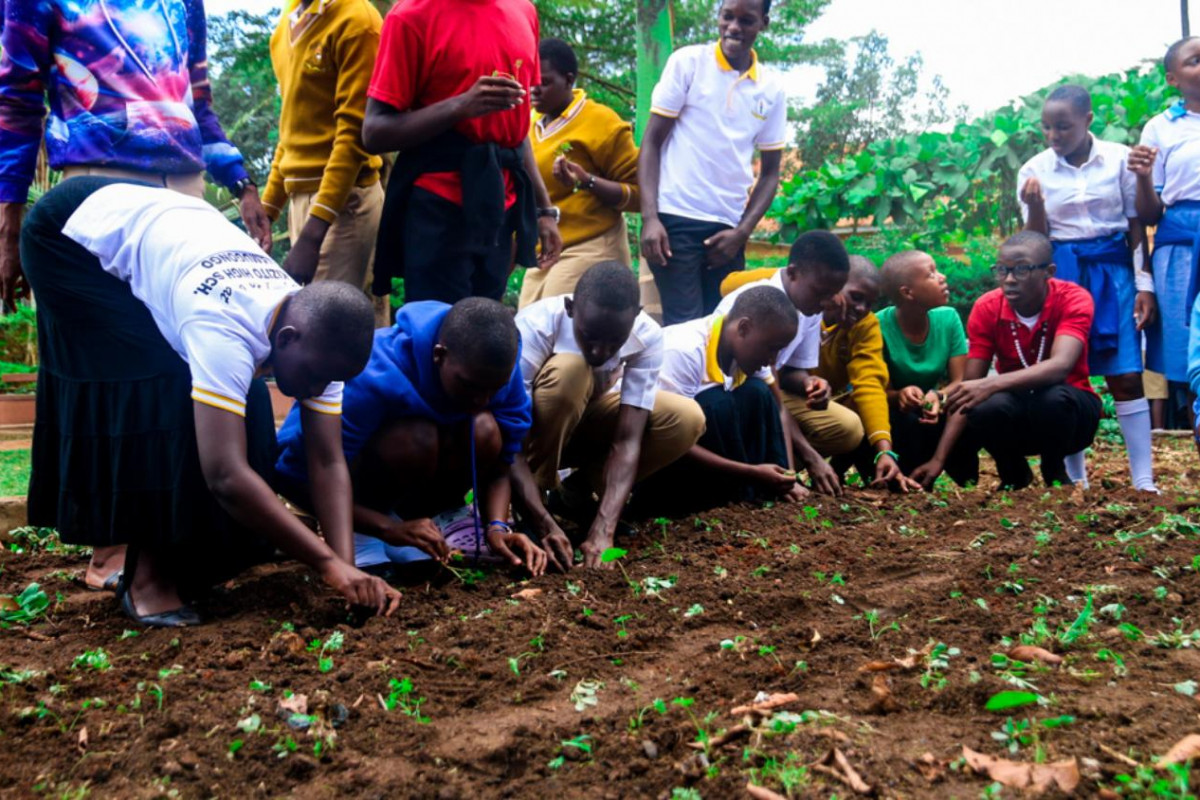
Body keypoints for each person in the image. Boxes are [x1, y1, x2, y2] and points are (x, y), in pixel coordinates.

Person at [21, 176, 399, 626]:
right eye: (316, 379)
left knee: (249, 407)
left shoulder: (325, 346)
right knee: (160, 392)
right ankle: (145, 579)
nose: (318, 391)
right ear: (287, 338)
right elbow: (225, 474)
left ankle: (195, 554)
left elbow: (327, 461)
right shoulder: (222, 328)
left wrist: (347, 567)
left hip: (162, 227)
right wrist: (326, 566)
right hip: (69, 237)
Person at [0, 0, 272, 310]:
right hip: (99, 191)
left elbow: (198, 104)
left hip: (185, 193)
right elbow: (17, 102)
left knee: (182, 341)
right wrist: (8, 225)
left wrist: (241, 182)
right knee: (108, 339)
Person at [274, 298, 549, 578]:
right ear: (439, 355)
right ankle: (365, 533)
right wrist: (384, 527)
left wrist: (496, 528)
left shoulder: (497, 370)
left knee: (486, 428)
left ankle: (430, 521)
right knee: (417, 438)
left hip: (410, 490)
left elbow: (502, 466)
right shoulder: (375, 371)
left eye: (494, 389)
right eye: (469, 385)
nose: (482, 398)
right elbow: (298, 478)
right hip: (353, 486)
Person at [362, 0, 562, 304]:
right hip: (438, 206)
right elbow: (374, 131)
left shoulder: (522, 10)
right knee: (439, 335)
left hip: (499, 206)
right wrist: (461, 105)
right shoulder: (409, 16)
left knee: (483, 331)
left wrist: (544, 210)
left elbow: (517, 129)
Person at [511, 261, 705, 570]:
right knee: (571, 371)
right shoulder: (535, 327)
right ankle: (531, 506)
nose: (600, 351)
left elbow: (628, 439)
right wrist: (543, 523)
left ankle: (574, 497)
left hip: (581, 427)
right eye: (590, 337)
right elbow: (509, 438)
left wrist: (604, 527)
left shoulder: (647, 336)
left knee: (684, 418)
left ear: (636, 315)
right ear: (571, 308)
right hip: (530, 438)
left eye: (614, 342)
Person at [1019, 84, 1158, 492]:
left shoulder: (1118, 159)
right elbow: (1034, 243)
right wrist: (1036, 208)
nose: (1054, 136)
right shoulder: (1033, 170)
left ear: (1088, 120)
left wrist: (1144, 286)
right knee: (1066, 378)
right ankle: (1074, 477)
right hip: (1060, 277)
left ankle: (1144, 479)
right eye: (1046, 128)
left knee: (1126, 376)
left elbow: (1136, 227)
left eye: (1063, 126)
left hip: (1114, 275)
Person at [911, 231, 1102, 491]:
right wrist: (938, 459)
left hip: (1072, 415)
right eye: (1002, 270)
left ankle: (1054, 470)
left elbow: (1061, 366)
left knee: (1054, 398)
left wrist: (991, 384)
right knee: (984, 407)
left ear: (1049, 271)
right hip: (1018, 413)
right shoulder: (987, 307)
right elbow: (971, 387)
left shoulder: (1073, 299)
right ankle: (1014, 474)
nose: (1009, 280)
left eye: (1021, 270)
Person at [639, 0, 787, 325]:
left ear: (763, 23)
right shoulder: (688, 63)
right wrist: (650, 217)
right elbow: (651, 142)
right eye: (727, 16)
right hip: (676, 219)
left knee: (721, 328)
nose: (734, 27)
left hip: (728, 228)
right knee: (685, 326)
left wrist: (742, 232)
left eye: (746, 20)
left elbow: (771, 172)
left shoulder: (771, 88)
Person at [262, 0, 389, 324]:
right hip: (301, 201)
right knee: (323, 326)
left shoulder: (358, 21)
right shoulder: (286, 24)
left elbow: (354, 133)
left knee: (328, 327)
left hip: (345, 203)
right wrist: (269, 210)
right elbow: (290, 131)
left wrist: (314, 233)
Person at [717, 231, 856, 496]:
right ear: (793, 273)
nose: (827, 303)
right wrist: (807, 458)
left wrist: (809, 382)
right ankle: (770, 473)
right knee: (760, 398)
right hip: (735, 395)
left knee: (847, 428)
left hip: (770, 393)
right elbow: (769, 395)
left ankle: (777, 469)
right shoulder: (760, 308)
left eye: (833, 294)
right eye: (821, 293)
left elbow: (789, 370)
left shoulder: (809, 306)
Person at [642, 285, 802, 514]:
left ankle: (762, 494)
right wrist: (750, 472)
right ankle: (723, 501)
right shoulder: (684, 351)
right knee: (717, 403)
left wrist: (788, 474)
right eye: (771, 349)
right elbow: (664, 435)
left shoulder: (747, 350)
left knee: (758, 392)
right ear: (744, 328)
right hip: (659, 457)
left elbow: (777, 409)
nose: (771, 360)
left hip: (709, 456)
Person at [519, 39, 640, 308]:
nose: (534, 89)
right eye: (530, 81)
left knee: (556, 325)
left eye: (544, 82)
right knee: (527, 332)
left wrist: (587, 182)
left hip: (592, 245)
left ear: (569, 80)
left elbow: (642, 195)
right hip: (546, 249)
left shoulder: (602, 124)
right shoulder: (529, 123)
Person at [1130, 36, 1200, 437]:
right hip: (1181, 247)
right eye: (1194, 61)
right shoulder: (1160, 127)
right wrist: (1142, 176)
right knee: (1190, 352)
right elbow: (1149, 213)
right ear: (1173, 78)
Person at [811, 257, 920, 491]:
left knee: (858, 410)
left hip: (818, 404)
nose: (861, 308)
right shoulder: (804, 306)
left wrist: (885, 451)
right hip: (783, 397)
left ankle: (834, 472)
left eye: (869, 303)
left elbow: (869, 383)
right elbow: (728, 283)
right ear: (835, 284)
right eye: (856, 297)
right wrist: (795, 274)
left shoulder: (865, 325)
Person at [877, 250, 973, 484]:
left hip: (935, 407)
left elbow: (961, 380)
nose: (942, 277)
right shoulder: (877, 326)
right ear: (907, 292)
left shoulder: (948, 319)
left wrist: (939, 395)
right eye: (931, 274)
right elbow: (877, 392)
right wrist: (900, 394)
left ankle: (967, 482)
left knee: (965, 411)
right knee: (905, 419)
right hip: (897, 418)